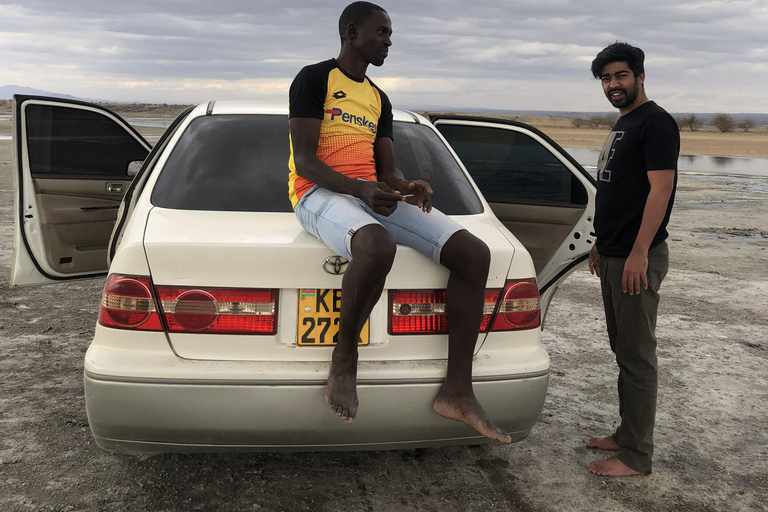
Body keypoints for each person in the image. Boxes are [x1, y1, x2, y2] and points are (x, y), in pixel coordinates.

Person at [287, 1, 510, 444]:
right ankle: (345, 356)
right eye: (382, 32)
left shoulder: (378, 99)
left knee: (473, 253)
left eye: (390, 34)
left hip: (365, 193)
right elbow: (307, 162)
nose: (390, 40)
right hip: (315, 194)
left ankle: (458, 391)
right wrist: (362, 190)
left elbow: (385, 172)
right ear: (352, 33)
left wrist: (406, 187)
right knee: (377, 245)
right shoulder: (314, 79)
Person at [585, 42, 680, 476]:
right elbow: (618, 190)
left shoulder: (656, 123)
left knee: (638, 355)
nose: (613, 85)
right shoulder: (624, 123)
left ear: (640, 76)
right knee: (622, 350)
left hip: (636, 259)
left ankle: (636, 456)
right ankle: (626, 433)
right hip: (614, 252)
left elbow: (660, 191)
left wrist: (639, 251)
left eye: (621, 76)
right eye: (606, 78)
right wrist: (601, 242)